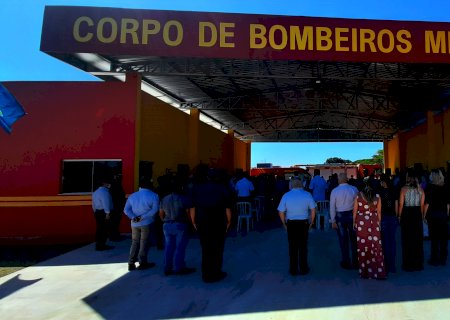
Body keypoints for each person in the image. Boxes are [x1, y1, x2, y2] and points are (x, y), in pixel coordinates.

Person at [189, 164, 232, 283]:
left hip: (202, 221)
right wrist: (229, 221)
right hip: (219, 221)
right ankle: (216, 272)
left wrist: (193, 221)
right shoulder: (221, 187)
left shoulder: (195, 188)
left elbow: (192, 207)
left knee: (206, 248)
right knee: (217, 248)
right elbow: (227, 208)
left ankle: (206, 273)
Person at [278, 177, 316, 276]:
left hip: (291, 224)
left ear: (291, 185)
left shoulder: (286, 195)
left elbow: (281, 211)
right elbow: (313, 210)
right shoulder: (307, 194)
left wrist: (284, 224)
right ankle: (304, 268)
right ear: (301, 184)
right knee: (303, 247)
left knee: (292, 247)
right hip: (303, 223)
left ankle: (293, 269)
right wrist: (311, 223)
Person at [159, 178, 196, 276]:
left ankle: (167, 268)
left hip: (167, 224)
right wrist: (192, 224)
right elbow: (190, 213)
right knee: (180, 248)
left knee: (168, 246)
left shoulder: (164, 199)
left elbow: (161, 213)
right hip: (180, 224)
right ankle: (179, 267)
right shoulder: (184, 198)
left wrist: (164, 221)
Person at [124, 177, 160, 271]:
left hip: (134, 223)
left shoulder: (132, 196)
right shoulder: (153, 195)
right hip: (147, 222)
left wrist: (133, 217)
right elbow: (155, 210)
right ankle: (142, 262)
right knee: (144, 242)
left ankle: (131, 263)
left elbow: (126, 210)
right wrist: (142, 217)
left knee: (135, 242)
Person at [353, 182, 387, 279]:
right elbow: (379, 211)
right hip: (374, 222)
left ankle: (364, 272)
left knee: (363, 247)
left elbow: (355, 211)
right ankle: (378, 272)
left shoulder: (358, 196)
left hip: (361, 223)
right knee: (376, 246)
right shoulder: (377, 196)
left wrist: (353, 222)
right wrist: (379, 224)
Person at [330, 173, 359, 269]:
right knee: (354, 239)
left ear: (339, 180)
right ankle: (356, 261)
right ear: (346, 179)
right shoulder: (354, 189)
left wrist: (333, 220)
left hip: (340, 216)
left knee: (343, 239)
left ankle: (346, 261)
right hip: (352, 215)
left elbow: (332, 207)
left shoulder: (335, 191)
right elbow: (358, 204)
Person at [398, 171, 425, 272]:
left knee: (407, 240)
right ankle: (418, 264)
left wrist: (399, 216)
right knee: (417, 240)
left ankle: (408, 264)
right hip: (417, 214)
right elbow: (422, 205)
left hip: (407, 214)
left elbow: (401, 204)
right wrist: (421, 216)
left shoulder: (404, 189)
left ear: (408, 178)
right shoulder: (421, 190)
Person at [424, 169, 449, 266]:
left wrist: (424, 216)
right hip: (443, 216)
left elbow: (427, 204)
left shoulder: (430, 188)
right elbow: (448, 204)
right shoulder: (445, 187)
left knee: (434, 239)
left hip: (433, 216)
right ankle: (443, 259)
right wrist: (447, 214)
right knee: (443, 239)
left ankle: (434, 259)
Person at [379, 174, 399, 273]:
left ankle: (386, 265)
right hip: (392, 217)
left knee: (385, 242)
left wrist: (378, 219)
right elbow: (396, 204)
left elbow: (379, 207)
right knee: (392, 241)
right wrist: (396, 216)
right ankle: (392, 265)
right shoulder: (394, 190)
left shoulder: (381, 192)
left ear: (384, 182)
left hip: (384, 218)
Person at [91, 176, 114, 251]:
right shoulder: (104, 192)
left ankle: (98, 245)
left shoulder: (95, 192)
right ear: (104, 184)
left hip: (97, 212)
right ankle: (102, 245)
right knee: (103, 229)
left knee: (99, 229)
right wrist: (107, 213)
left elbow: (93, 204)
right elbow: (106, 203)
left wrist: (95, 211)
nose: (109, 184)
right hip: (104, 212)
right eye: (107, 183)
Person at [109, 173, 126, 241]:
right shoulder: (117, 185)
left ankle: (114, 236)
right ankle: (114, 236)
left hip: (115, 207)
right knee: (115, 222)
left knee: (114, 222)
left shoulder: (114, 185)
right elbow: (120, 196)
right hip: (117, 207)